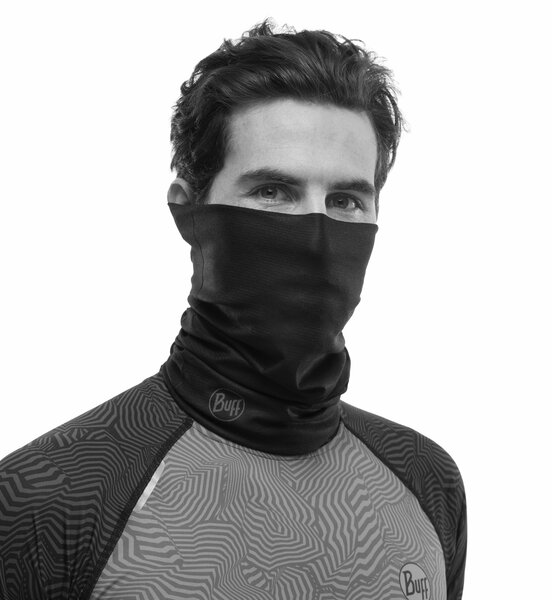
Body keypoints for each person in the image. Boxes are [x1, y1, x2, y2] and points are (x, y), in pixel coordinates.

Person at [0, 20, 467, 600]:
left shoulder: (427, 481)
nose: (316, 234)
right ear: (189, 211)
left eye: (345, 200)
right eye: (273, 192)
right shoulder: (49, 499)